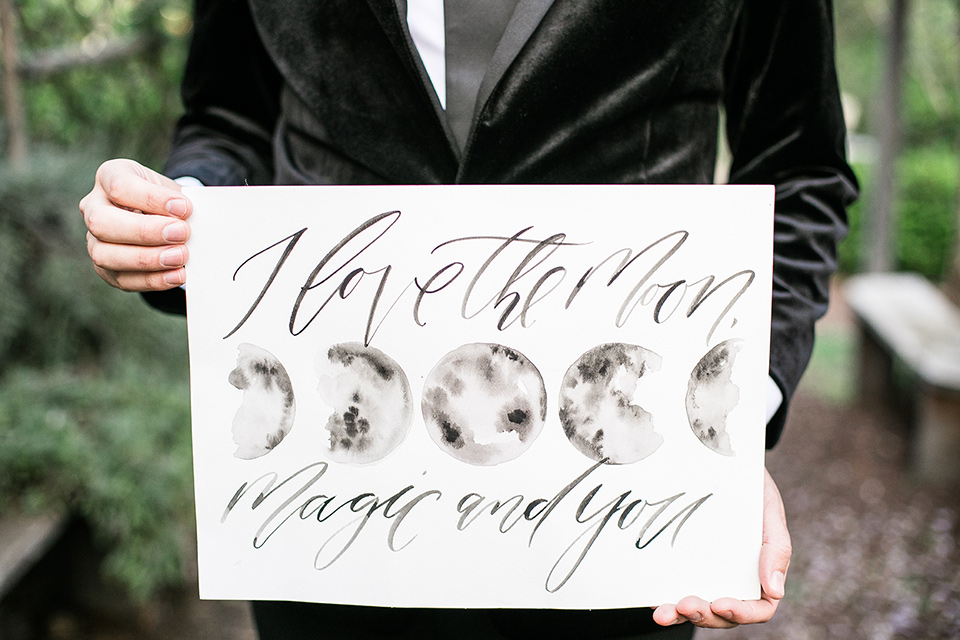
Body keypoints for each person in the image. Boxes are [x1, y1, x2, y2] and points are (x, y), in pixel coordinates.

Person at [80, 0, 858, 637]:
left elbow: (799, 168)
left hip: (615, 525)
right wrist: (173, 216)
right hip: (327, 525)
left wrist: (725, 428)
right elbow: (231, 119)